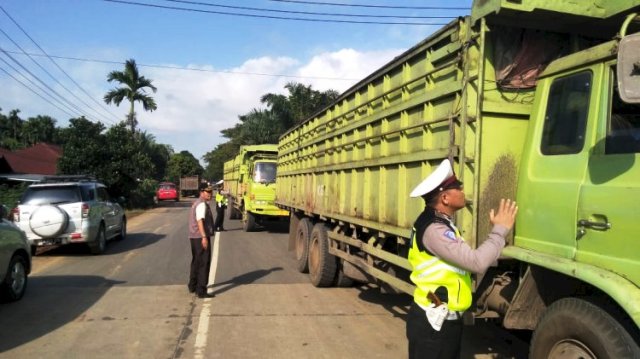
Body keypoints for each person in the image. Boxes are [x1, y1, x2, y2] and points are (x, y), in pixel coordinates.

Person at [405, 159, 518, 359]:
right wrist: (499, 231)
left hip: (441, 319)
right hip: (434, 325)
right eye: (458, 187)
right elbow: (476, 263)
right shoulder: (436, 230)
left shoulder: (441, 223)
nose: (463, 190)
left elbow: (466, 258)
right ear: (446, 198)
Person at [188, 183, 215, 299]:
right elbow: (200, 221)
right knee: (204, 263)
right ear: (201, 192)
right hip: (200, 237)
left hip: (194, 237)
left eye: (210, 192)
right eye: (207, 192)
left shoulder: (197, 203)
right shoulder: (201, 205)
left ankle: (192, 285)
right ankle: (201, 290)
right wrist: (204, 237)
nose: (210, 194)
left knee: (196, 261)